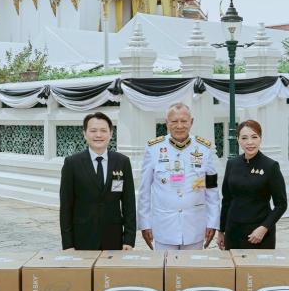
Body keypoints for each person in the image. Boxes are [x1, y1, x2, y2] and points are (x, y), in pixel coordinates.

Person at [138, 102, 219, 250]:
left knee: (193, 265)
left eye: (184, 121)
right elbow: (144, 190)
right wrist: (145, 223)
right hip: (164, 226)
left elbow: (212, 189)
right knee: (165, 265)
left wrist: (212, 222)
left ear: (191, 122)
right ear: (167, 123)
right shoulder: (154, 149)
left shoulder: (204, 149)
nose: (179, 126)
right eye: (174, 121)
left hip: (194, 226)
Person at [59, 112, 136, 250]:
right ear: (85, 133)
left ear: (111, 134)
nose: (98, 135)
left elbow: (128, 203)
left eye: (103, 131)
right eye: (93, 131)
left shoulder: (122, 162)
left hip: (114, 238)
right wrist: (68, 244)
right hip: (82, 238)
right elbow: (66, 206)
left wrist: (129, 240)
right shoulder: (72, 163)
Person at [217, 120, 288, 249]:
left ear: (260, 138)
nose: (249, 142)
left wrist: (264, 227)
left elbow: (281, 204)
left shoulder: (271, 166)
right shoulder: (232, 164)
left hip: (259, 234)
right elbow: (226, 200)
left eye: (254, 137)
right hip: (233, 231)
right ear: (238, 140)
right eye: (244, 138)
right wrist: (221, 230)